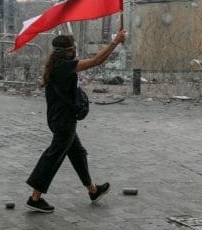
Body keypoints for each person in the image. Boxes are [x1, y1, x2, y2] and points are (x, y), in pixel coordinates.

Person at [25, 29, 127, 213]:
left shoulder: (56, 65)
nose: (75, 51)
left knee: (78, 153)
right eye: (73, 48)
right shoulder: (64, 67)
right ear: (68, 51)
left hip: (59, 119)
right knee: (53, 156)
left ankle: (93, 190)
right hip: (64, 122)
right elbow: (96, 61)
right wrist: (115, 42)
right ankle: (35, 198)